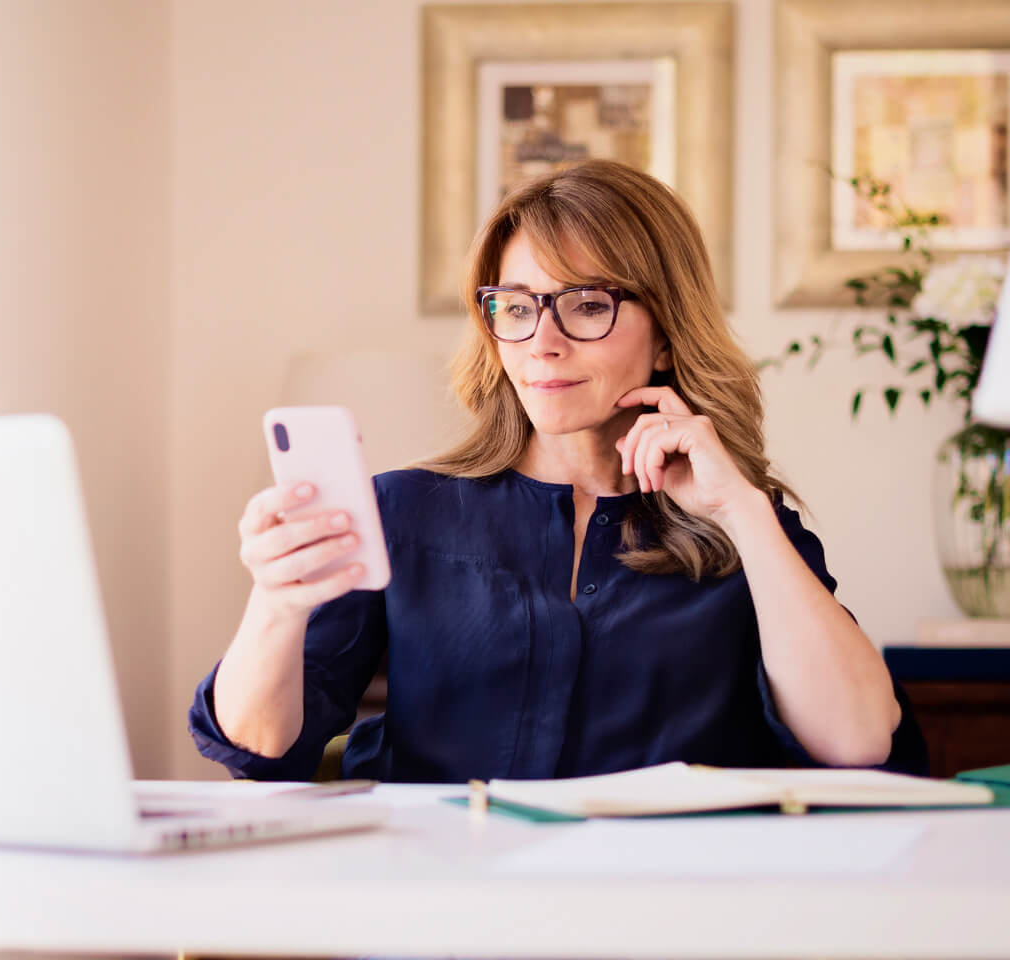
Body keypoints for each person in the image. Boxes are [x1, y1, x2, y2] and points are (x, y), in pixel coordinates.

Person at [188, 159, 926, 783]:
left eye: (586, 304)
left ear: (666, 335)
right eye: (516, 306)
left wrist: (743, 513)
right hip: (445, 925)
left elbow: (858, 740)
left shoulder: (745, 529)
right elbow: (258, 748)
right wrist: (276, 605)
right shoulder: (403, 514)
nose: (542, 341)